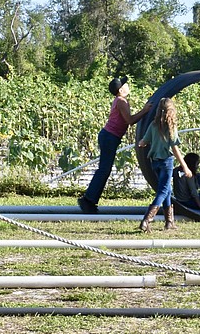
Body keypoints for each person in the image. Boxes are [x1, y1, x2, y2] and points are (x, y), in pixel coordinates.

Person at [78, 76, 153, 214]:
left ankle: (90, 200)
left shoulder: (120, 100)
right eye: (125, 84)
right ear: (120, 89)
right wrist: (145, 111)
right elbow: (130, 120)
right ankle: (87, 200)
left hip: (110, 137)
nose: (128, 86)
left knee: (104, 170)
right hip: (109, 137)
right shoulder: (121, 101)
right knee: (104, 170)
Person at [137, 98, 192, 232]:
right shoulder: (171, 128)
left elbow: (144, 141)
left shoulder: (153, 125)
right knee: (163, 191)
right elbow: (175, 149)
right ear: (171, 111)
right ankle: (147, 219)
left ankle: (169, 222)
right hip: (167, 162)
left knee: (166, 190)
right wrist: (185, 166)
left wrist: (141, 143)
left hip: (155, 163)